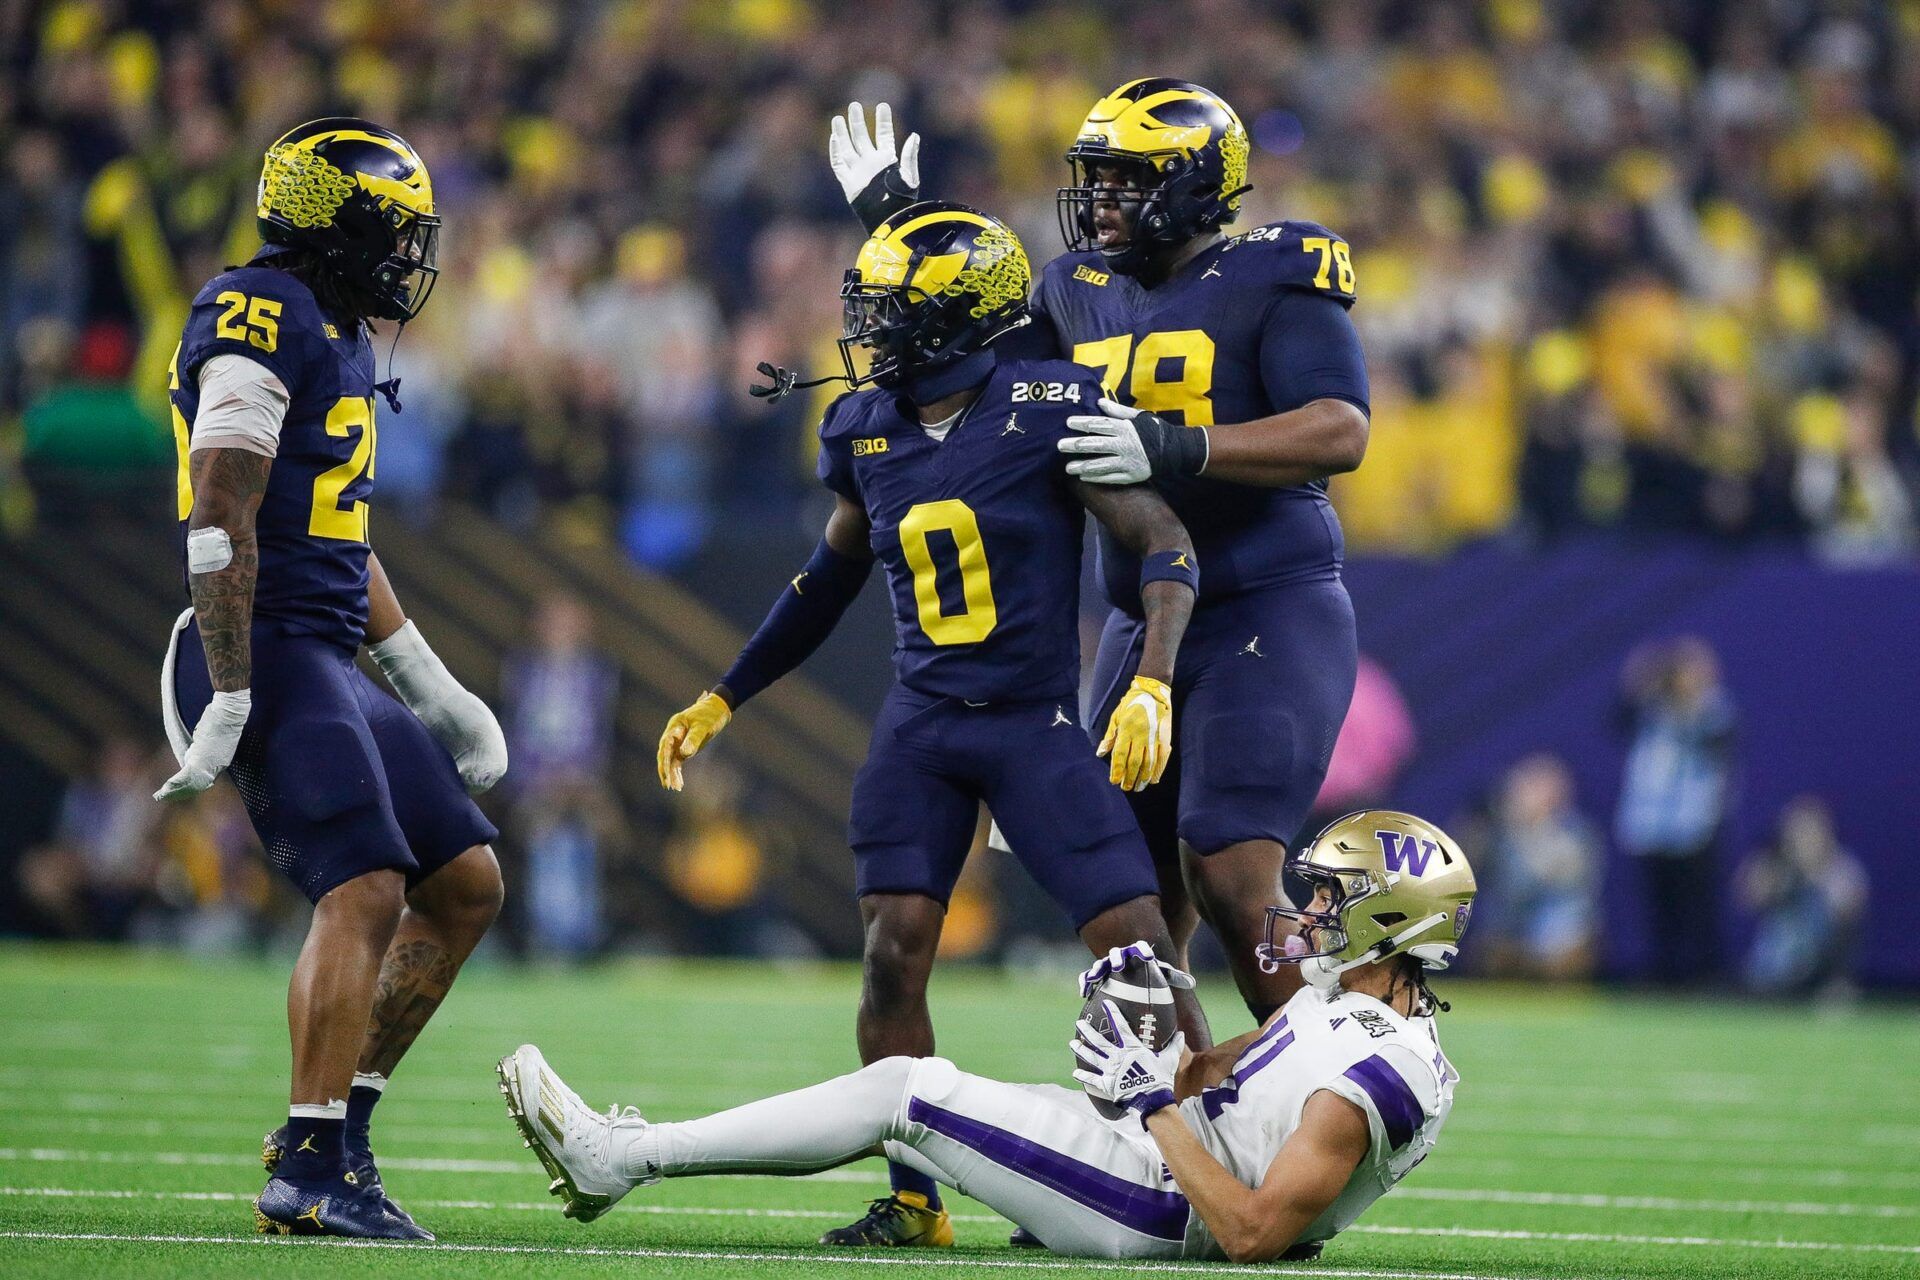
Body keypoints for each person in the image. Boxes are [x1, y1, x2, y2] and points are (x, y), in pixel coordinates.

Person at [655, 202, 1210, 1247]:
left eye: (895, 307)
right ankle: (914, 1199)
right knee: (891, 952)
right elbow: (826, 579)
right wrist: (724, 693)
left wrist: (1154, 679)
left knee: (1140, 957)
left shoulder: (1049, 403)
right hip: (921, 722)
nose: (872, 326)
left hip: (1030, 720)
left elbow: (1167, 547)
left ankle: (1200, 1171)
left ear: (958, 319)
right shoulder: (864, 425)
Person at [829, 85, 1369, 1041]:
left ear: (1201, 183)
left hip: (1265, 604)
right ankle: (1191, 1139)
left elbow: (1340, 428)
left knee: (1233, 868)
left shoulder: (1276, 268)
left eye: (1129, 178)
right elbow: (970, 348)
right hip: (1140, 617)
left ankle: (1348, 1086)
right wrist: (904, 228)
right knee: (1137, 914)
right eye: (1096, 178)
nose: (1103, 198)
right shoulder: (1073, 287)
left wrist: (1177, 447)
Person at [497, 810, 1473, 1264]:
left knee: (907, 1091)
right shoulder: (1348, 1002)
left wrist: (1147, 1102)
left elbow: (1257, 1235)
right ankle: (622, 1154)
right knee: (933, 1096)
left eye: (1333, 897)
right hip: (1155, 1158)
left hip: (1161, 1205)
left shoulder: (1379, 1071)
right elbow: (1219, 1079)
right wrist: (1152, 1034)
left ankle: (618, 1156)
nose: (1307, 909)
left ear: (1392, 923)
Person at [156, 118, 508, 1240]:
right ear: (334, 224)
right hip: (253, 641)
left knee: (465, 881)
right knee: (363, 884)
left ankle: (335, 1130)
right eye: (391, 229)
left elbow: (338, 541)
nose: (408, 254)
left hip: (321, 641)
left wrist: (433, 685)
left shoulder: (337, 327)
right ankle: (308, 1170)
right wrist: (230, 683)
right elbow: (220, 520)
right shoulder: (255, 311)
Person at [1614, 636, 1736, 982]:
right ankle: (1662, 976)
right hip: (1652, 824)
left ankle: (1709, 976)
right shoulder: (1652, 709)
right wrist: (1642, 681)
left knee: (1700, 907)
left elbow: (1717, 742)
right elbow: (1618, 718)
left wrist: (1692, 699)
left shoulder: (1714, 709)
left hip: (1695, 823)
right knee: (1659, 907)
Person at [1737, 796, 1867, 998]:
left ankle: (1837, 986)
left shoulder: (1840, 868)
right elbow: (1747, 896)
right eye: (1796, 832)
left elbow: (1849, 910)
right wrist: (1778, 876)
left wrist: (1815, 876)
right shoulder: (1775, 865)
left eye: (1810, 832)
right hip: (1774, 968)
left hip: (1817, 968)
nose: (1803, 839)